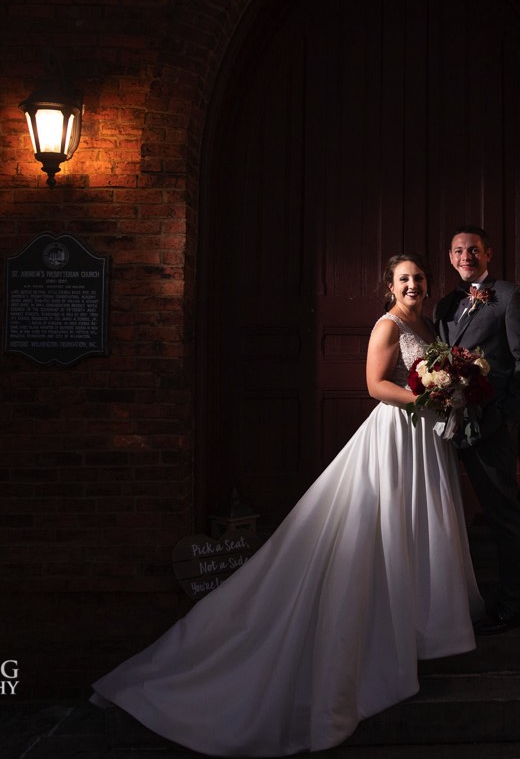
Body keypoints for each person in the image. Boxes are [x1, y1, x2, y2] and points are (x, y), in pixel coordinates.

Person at [91, 254, 483, 758]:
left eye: (419, 278)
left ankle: (419, 621)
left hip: (424, 440)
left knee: (417, 526)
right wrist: (427, 398)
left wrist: (449, 389)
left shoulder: (426, 323)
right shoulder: (387, 325)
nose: (413, 285)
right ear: (389, 286)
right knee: (381, 525)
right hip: (396, 434)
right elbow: (375, 385)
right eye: (403, 279)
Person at [434, 225, 520, 635]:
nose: (466, 256)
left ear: (489, 253)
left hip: (491, 427)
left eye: (474, 250)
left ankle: (511, 606)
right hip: (448, 427)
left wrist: (508, 416)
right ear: (450, 257)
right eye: (459, 250)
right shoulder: (445, 304)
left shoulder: (509, 298)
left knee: (503, 516)